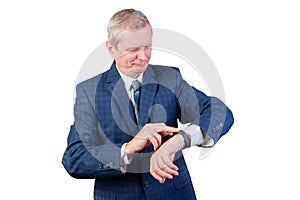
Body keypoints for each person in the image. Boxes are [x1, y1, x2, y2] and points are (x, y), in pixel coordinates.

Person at [62, 8, 234, 200]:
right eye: (133, 49)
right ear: (112, 49)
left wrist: (180, 140)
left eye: (147, 46)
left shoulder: (170, 79)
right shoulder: (89, 91)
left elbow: (219, 112)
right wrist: (127, 149)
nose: (143, 56)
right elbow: (74, 159)